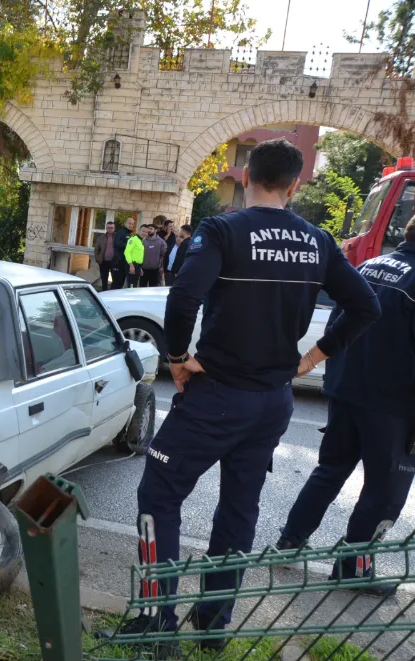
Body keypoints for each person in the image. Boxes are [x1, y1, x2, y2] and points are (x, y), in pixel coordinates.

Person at [101, 138, 381, 650]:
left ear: (247, 176)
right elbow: (365, 305)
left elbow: (185, 296)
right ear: (295, 186)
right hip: (273, 402)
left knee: (158, 495)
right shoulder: (318, 241)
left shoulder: (223, 229)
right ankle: (213, 626)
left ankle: (157, 622)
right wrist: (313, 358)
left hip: (217, 397)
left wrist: (177, 357)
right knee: (238, 510)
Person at [275, 217, 415, 596]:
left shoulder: (371, 266)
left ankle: (290, 540)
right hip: (393, 406)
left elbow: (338, 324)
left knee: (330, 470)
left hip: (346, 389)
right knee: (384, 491)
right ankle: (353, 568)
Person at [111, 216, 136, 290]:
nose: (131, 225)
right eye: (129, 223)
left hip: (124, 262)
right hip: (118, 261)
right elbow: (117, 244)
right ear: (125, 223)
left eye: (132, 224)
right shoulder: (120, 232)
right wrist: (129, 246)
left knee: (120, 283)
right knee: (116, 283)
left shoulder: (129, 234)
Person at [94, 221, 116, 291]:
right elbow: (96, 249)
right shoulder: (101, 237)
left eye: (112, 228)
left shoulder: (117, 237)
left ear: (114, 228)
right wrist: (97, 259)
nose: (110, 229)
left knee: (115, 279)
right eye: (109, 228)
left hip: (114, 262)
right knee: (104, 278)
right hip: (103, 262)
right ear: (106, 228)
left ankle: (112, 292)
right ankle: (104, 291)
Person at [124, 224, 145, 288]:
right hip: (132, 266)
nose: (145, 233)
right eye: (143, 231)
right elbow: (126, 252)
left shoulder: (140, 240)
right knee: (131, 287)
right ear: (139, 231)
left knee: (134, 286)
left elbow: (138, 255)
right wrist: (131, 265)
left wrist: (140, 268)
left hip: (137, 266)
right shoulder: (133, 239)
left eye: (146, 232)